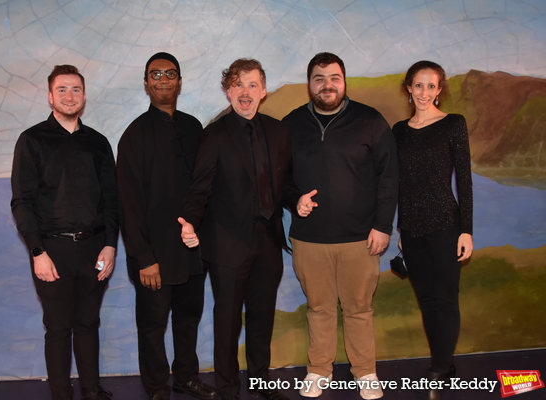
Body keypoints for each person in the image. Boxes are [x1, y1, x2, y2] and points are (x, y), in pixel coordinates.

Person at [178, 58, 314, 400]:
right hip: (226, 245)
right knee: (227, 322)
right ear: (228, 92)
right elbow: (199, 189)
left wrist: (296, 201)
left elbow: (286, 184)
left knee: (261, 316)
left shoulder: (279, 132)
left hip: (269, 241)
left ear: (263, 91)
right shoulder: (213, 135)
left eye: (252, 85)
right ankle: (227, 390)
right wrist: (189, 222)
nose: (245, 92)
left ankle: (261, 380)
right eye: (238, 85)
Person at [282, 52, 398, 400]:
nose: (327, 85)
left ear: (344, 81)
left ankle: (365, 373)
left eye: (334, 77)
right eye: (319, 78)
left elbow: (389, 177)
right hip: (309, 239)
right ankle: (319, 370)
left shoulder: (370, 120)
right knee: (319, 308)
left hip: (360, 238)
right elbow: (279, 179)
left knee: (359, 308)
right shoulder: (290, 125)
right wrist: (294, 198)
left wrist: (382, 226)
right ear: (309, 84)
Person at [11, 65, 117, 400]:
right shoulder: (31, 140)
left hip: (95, 250)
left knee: (89, 324)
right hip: (51, 252)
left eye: (75, 90)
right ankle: (61, 394)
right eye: (62, 90)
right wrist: (37, 252)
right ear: (49, 96)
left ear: (84, 96)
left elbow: (111, 200)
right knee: (58, 329)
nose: (69, 96)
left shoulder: (98, 143)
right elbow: (22, 202)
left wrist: (111, 246)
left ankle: (91, 389)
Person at [116, 52, 217, 400]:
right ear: (146, 83)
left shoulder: (194, 128)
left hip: (192, 252)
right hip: (153, 256)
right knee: (152, 327)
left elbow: (205, 189)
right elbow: (127, 204)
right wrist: (144, 257)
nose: (163, 79)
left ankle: (186, 378)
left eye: (170, 73)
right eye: (155, 74)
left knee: (188, 321)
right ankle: (157, 388)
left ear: (179, 81)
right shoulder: (134, 135)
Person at [393, 60, 473, 400]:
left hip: (445, 225)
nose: (424, 92)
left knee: (445, 298)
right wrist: (399, 227)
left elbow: (465, 181)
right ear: (409, 88)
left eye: (431, 85)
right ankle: (444, 362)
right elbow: (397, 184)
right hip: (411, 228)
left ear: (439, 90)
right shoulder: (398, 131)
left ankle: (438, 369)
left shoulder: (453, 124)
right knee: (426, 300)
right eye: (418, 85)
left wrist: (466, 230)